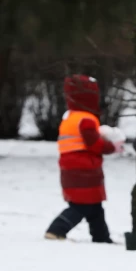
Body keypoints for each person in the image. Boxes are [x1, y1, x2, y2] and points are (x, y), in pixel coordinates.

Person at [45, 75, 122, 243]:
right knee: (81, 206)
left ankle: (101, 237)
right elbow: (94, 143)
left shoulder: (70, 117)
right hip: (84, 171)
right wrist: (112, 147)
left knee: (94, 207)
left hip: (72, 169)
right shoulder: (85, 120)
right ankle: (56, 230)